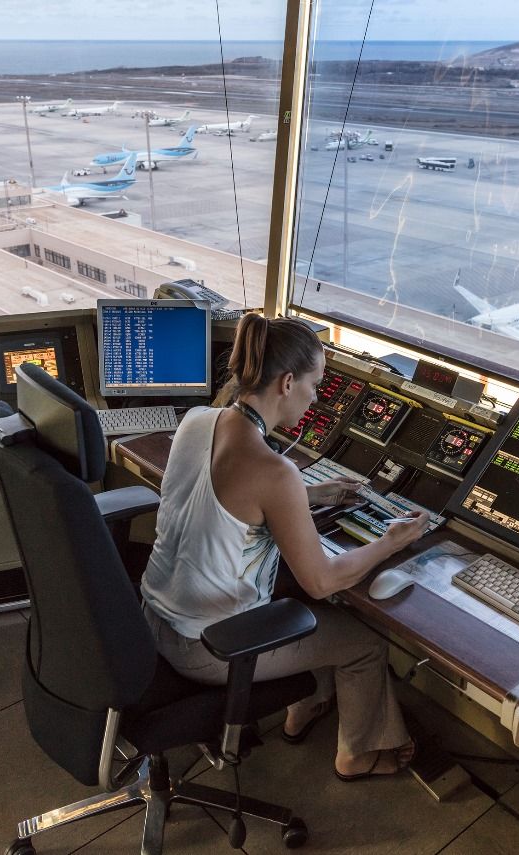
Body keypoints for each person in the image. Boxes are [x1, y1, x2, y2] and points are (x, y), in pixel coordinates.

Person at [141, 314, 429, 780]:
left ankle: (304, 708)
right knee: (364, 642)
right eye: (315, 385)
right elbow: (323, 581)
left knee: (288, 596)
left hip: (152, 617)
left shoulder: (199, 421)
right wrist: (391, 541)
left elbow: (228, 497)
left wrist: (310, 495)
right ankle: (357, 755)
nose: (316, 398)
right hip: (208, 647)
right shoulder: (275, 473)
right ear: (288, 382)